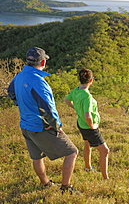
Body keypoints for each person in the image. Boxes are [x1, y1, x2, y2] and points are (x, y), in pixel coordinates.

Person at [7, 47, 79, 194]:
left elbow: (10, 91)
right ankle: (66, 188)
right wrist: (56, 126)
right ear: (43, 62)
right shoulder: (39, 82)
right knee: (72, 152)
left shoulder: (19, 76)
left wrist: (21, 105)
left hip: (26, 125)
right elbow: (48, 109)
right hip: (40, 127)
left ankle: (45, 183)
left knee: (37, 157)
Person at [64, 68, 109, 180]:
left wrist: (76, 108)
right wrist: (92, 126)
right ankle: (105, 178)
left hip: (81, 124)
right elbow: (87, 116)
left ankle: (88, 167)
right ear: (91, 80)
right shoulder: (87, 96)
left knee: (87, 145)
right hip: (88, 127)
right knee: (105, 151)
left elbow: (66, 100)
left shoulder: (76, 90)